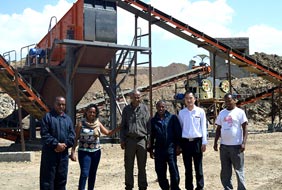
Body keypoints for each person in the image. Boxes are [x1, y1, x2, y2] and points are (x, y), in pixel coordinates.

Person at [70, 103, 120, 190]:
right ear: (86, 112)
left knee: (92, 174)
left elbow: (108, 133)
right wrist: (73, 152)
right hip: (84, 152)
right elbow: (75, 138)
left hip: (96, 152)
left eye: (94, 112)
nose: (92, 114)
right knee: (84, 173)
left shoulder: (98, 123)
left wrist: (119, 127)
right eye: (90, 112)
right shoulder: (81, 124)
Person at [213, 93, 248, 190]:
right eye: (226, 101)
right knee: (225, 171)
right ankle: (227, 188)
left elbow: (245, 128)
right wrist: (215, 142)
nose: (227, 103)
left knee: (239, 170)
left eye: (229, 101)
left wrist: (244, 143)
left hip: (236, 147)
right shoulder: (222, 113)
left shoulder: (240, 112)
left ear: (234, 100)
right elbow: (218, 129)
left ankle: (241, 188)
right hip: (224, 147)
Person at [40, 96, 75, 190]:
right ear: (54, 104)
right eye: (59, 104)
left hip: (63, 155)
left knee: (61, 179)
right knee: (48, 180)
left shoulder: (67, 119)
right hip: (50, 154)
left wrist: (64, 145)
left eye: (63, 104)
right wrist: (56, 144)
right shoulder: (47, 117)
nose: (61, 106)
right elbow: (44, 134)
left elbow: (72, 136)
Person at [120, 89, 151, 190]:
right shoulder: (126, 110)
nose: (138, 99)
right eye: (136, 97)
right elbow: (123, 126)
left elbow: (149, 125)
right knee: (128, 166)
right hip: (130, 140)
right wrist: (122, 140)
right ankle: (129, 186)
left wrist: (149, 139)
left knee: (142, 166)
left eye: (139, 97)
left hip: (142, 140)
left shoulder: (145, 109)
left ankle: (142, 186)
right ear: (131, 98)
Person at [149, 100, 182, 190]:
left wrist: (178, 146)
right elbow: (151, 135)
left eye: (163, 107)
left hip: (170, 148)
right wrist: (151, 149)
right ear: (156, 107)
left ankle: (175, 187)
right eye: (159, 107)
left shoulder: (172, 118)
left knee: (174, 170)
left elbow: (178, 133)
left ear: (165, 107)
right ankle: (165, 188)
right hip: (159, 150)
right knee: (160, 171)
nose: (161, 109)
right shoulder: (153, 120)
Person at [178, 91, 207, 190]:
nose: (189, 100)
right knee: (188, 168)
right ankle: (189, 187)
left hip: (197, 142)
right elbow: (180, 128)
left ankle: (200, 186)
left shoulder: (200, 111)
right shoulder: (181, 113)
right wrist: (180, 144)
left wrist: (204, 142)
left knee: (198, 167)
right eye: (187, 98)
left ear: (194, 99)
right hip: (186, 142)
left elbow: (203, 127)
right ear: (184, 100)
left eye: (191, 98)